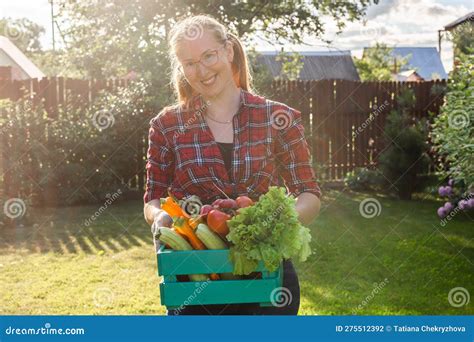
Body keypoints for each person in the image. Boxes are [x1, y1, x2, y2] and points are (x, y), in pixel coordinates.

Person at [143, 14, 321, 315]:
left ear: (228, 51)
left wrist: (276, 223)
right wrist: (159, 219)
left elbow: (309, 194)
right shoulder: (167, 126)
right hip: (195, 280)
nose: (200, 70)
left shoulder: (278, 119)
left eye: (208, 56)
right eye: (189, 63)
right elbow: (153, 199)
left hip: (268, 278)